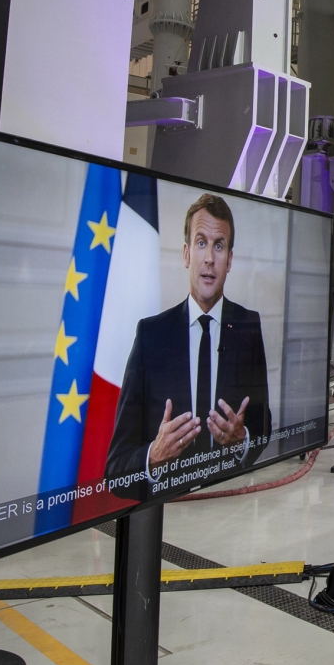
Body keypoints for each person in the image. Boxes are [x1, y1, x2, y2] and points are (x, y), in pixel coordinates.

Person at [107, 194, 271, 494]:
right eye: (200, 242)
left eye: (219, 245)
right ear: (186, 255)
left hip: (232, 509)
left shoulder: (249, 327)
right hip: (170, 519)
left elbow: (262, 430)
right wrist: (154, 458)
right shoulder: (150, 336)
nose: (209, 257)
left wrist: (242, 439)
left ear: (229, 260)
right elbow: (115, 468)